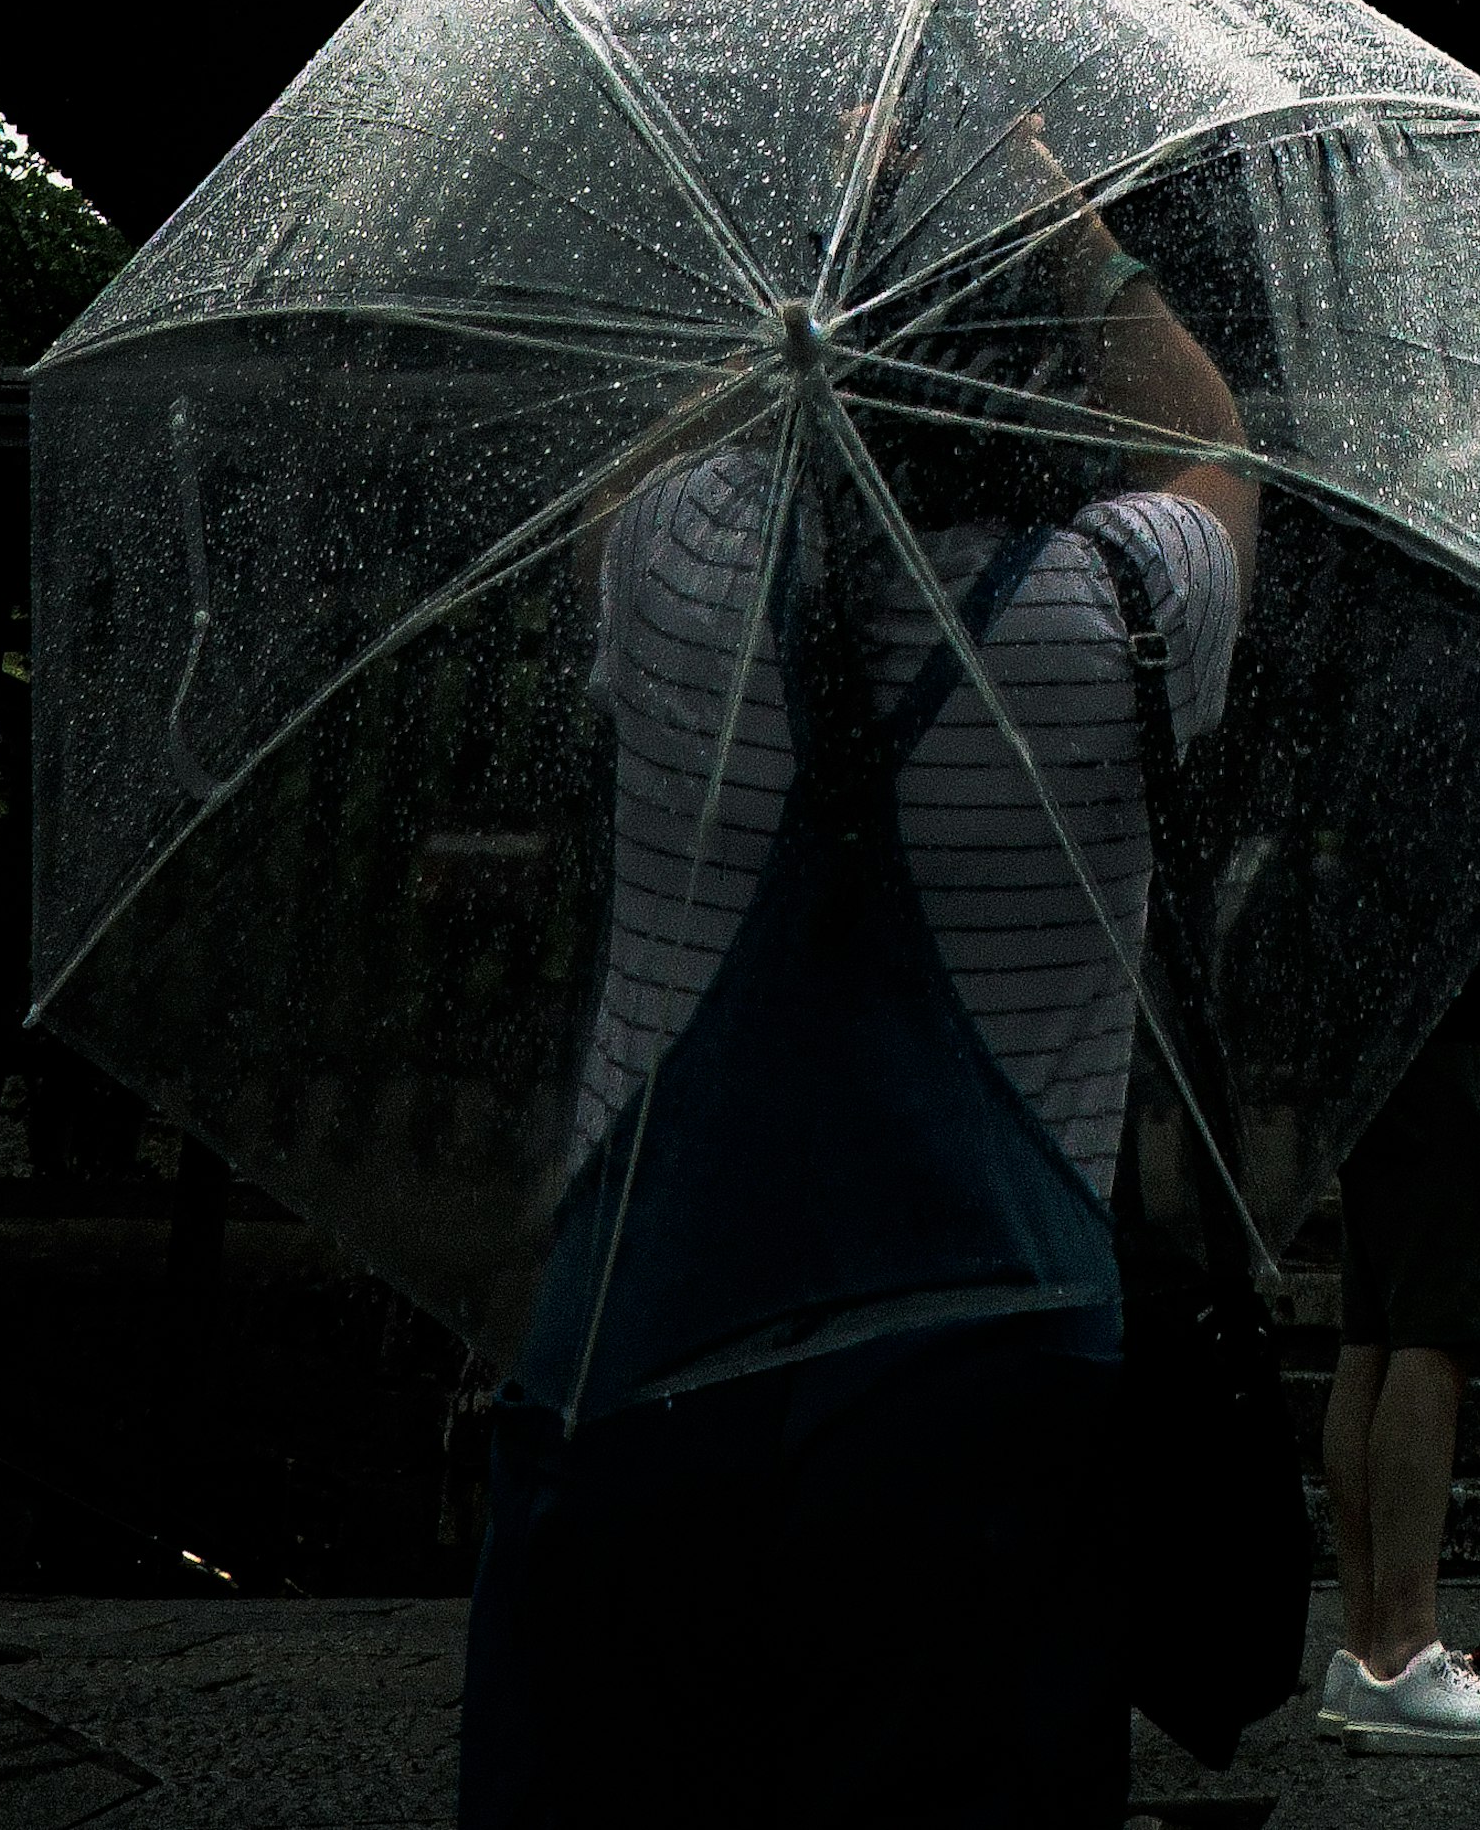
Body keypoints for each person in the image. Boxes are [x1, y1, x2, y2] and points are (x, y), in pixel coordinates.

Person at [460, 132, 1257, 1830]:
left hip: (647, 1343)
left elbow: (629, 484)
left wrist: (785, 315)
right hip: (992, 1379)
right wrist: (1068, 225)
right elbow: (1212, 442)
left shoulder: (680, 565)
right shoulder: (1111, 609)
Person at [1316, 1003, 1480, 1747]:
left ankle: (1364, 1650)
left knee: (1372, 1334)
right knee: (1435, 1333)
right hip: (1451, 1031)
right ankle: (1406, 1649)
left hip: (1372, 1044)